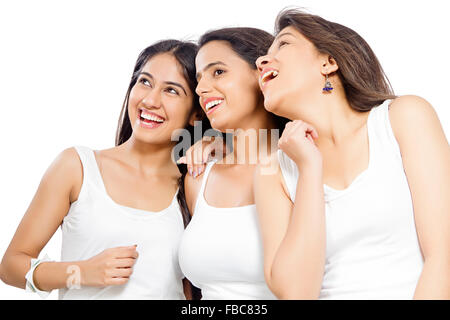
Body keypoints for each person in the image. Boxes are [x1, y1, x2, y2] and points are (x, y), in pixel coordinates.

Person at [254, 8, 450, 299]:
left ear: (328, 62)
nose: (261, 61)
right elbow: (295, 293)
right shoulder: (273, 170)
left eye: (284, 44)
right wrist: (309, 168)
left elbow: (443, 256)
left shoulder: (403, 118)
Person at [0, 39, 205, 299]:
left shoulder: (194, 184)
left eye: (172, 91)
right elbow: (11, 266)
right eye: (145, 82)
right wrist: (81, 272)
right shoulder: (77, 167)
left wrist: (218, 143)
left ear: (196, 114)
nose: (151, 100)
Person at [177, 27, 288, 300]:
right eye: (199, 80)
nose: (201, 89)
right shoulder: (199, 175)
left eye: (218, 72)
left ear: (262, 72)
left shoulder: (303, 166)